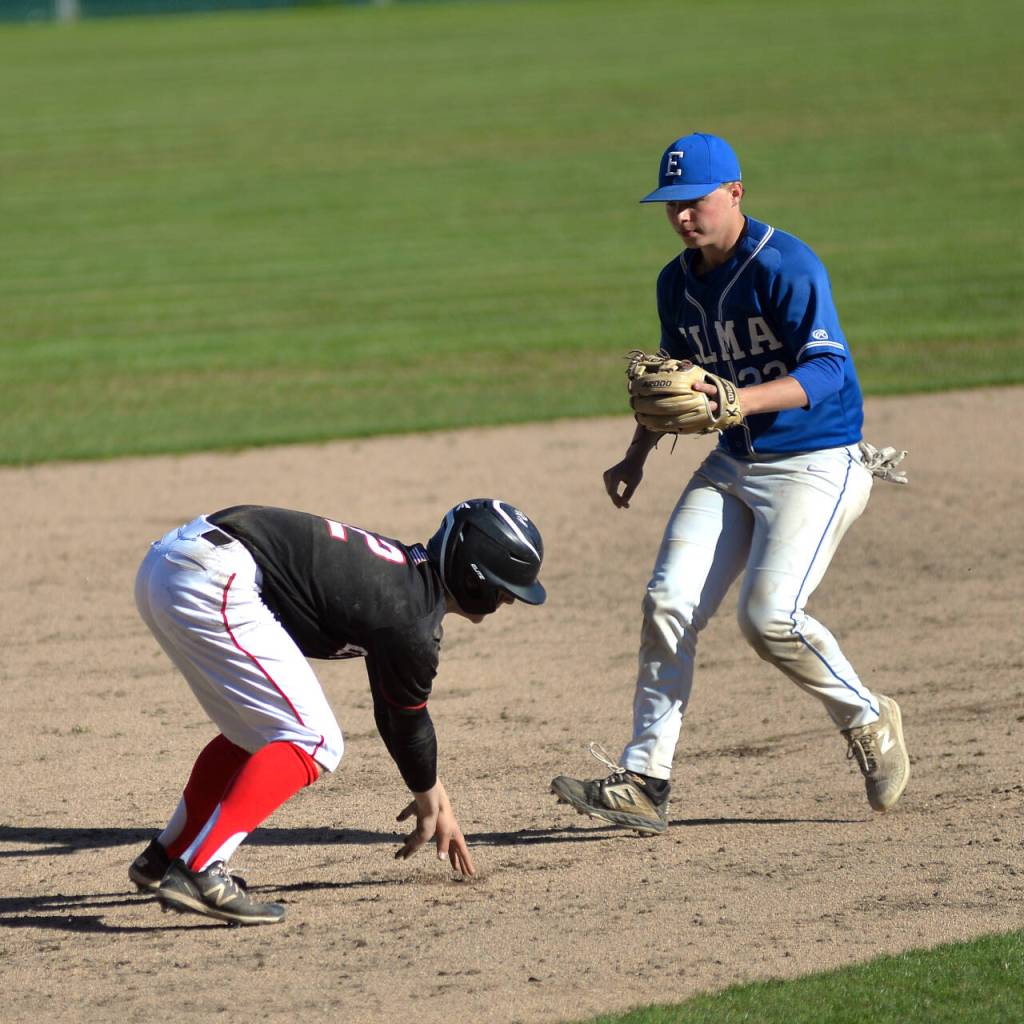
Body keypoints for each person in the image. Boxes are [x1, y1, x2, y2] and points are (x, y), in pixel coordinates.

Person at [551, 132, 909, 835]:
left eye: (696, 201)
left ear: (735, 193)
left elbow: (831, 371)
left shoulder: (786, 265)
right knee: (667, 602)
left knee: (768, 618)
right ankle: (646, 781)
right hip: (733, 467)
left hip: (817, 461)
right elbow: (673, 386)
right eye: (671, 204)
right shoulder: (675, 281)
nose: (684, 216)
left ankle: (868, 718)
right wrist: (637, 455)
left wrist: (742, 402)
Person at [129, 498, 546, 925]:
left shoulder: (405, 585)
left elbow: (394, 708)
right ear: (475, 578)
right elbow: (406, 722)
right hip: (212, 577)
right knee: (316, 739)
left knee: (255, 735)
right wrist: (428, 796)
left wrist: (432, 793)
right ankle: (201, 870)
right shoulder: (411, 619)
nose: (507, 603)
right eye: (504, 590)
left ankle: (167, 855)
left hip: (175, 565)